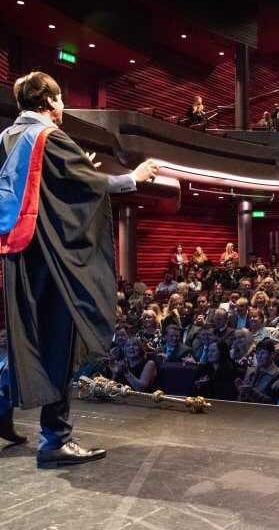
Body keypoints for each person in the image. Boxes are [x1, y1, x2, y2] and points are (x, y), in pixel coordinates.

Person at [1, 71, 158, 467]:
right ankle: (54, 440)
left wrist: (76, 173)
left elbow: (46, 189)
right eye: (61, 100)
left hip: (20, 254)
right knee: (60, 342)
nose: (63, 107)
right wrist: (133, 177)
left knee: (29, 336)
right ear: (50, 101)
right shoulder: (49, 137)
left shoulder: (7, 138)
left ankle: (1, 411)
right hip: (53, 257)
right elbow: (89, 185)